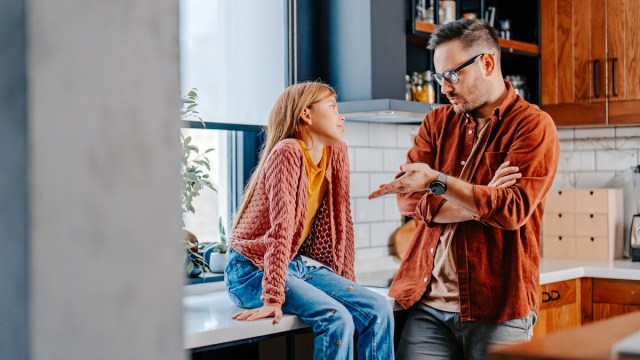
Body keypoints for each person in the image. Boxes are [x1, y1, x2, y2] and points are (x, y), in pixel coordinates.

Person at [369, 19, 560, 359]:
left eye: (452, 75)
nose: (445, 87)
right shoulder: (436, 123)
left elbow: (512, 210)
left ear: (486, 63)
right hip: (427, 307)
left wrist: (436, 182)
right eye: (439, 77)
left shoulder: (533, 125)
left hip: (500, 308)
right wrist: (485, 195)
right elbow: (408, 199)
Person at [225, 81, 394, 360]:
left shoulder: (336, 152)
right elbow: (281, 230)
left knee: (378, 309)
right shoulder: (288, 151)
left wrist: (347, 285)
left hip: (293, 265)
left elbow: (342, 224)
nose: (341, 116)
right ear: (307, 114)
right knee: (336, 318)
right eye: (332, 107)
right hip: (250, 270)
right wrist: (272, 298)